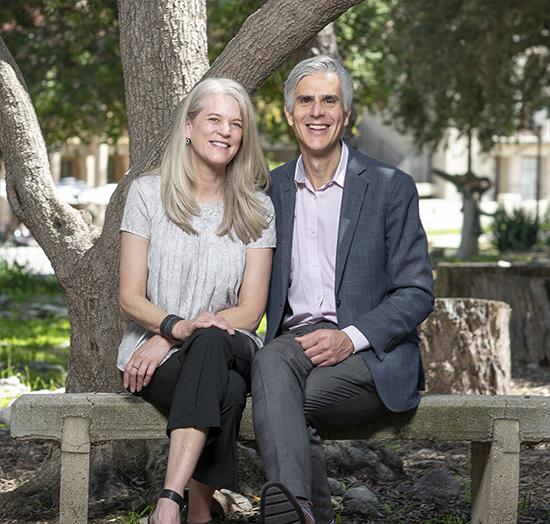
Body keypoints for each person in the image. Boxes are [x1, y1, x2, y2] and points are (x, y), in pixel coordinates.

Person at [251, 56, 434, 524]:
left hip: (371, 358)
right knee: (273, 363)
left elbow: (416, 292)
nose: (317, 111)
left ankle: (291, 512)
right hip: (292, 348)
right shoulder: (269, 191)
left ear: (346, 112)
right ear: (289, 113)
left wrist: (348, 337)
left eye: (329, 100)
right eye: (305, 100)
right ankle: (299, 513)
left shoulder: (391, 187)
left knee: (280, 408)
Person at [117, 77, 275, 524]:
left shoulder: (258, 209)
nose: (225, 131)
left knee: (209, 342)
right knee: (223, 388)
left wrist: (177, 334)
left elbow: (249, 310)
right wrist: (175, 329)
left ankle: (168, 503)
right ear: (189, 127)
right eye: (214, 120)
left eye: (236, 124)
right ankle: (200, 510)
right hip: (156, 358)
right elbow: (129, 296)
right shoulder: (148, 194)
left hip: (231, 343)